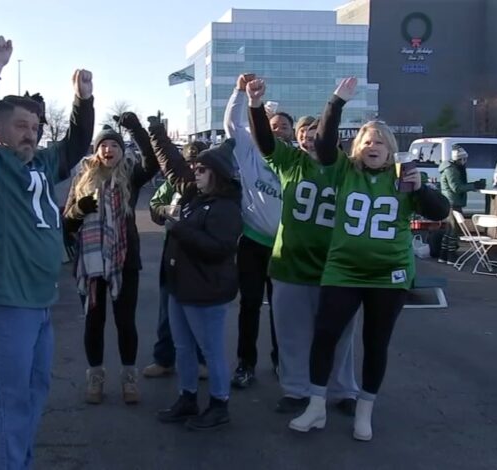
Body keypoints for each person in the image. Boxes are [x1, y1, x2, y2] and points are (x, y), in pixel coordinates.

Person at [283, 77, 449, 441]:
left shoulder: (403, 177)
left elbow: (442, 211)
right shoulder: (345, 171)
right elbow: (324, 144)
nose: (374, 146)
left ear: (391, 150)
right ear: (358, 148)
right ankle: (315, 407)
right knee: (325, 334)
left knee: (376, 341)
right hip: (343, 269)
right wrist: (336, 102)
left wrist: (422, 188)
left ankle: (364, 409)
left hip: (388, 273)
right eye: (368, 141)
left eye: (380, 142)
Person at [0, 36, 94, 469]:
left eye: (35, 127)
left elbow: (72, 147)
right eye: (20, 126)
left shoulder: (40, 163)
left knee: (33, 395)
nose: (30, 133)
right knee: (7, 401)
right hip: (2, 298)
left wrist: (83, 100)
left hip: (39, 300)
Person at [244, 75, 359, 416]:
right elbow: (264, 140)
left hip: (335, 265)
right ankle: (296, 389)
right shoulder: (290, 163)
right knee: (292, 334)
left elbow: (327, 146)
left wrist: (336, 102)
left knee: (339, 336)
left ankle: (342, 390)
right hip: (291, 263)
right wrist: (254, 106)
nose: (310, 140)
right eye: (304, 135)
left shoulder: (342, 168)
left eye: (316, 134)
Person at [149, 120, 242, 430]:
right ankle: (187, 398)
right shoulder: (195, 196)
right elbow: (172, 165)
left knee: (212, 350)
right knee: (183, 348)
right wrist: (155, 133)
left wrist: (182, 229)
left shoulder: (226, 207)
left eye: (201, 170)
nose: (195, 174)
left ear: (215, 174)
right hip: (180, 288)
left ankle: (219, 403)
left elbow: (220, 248)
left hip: (206, 292)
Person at [63, 112, 158, 405]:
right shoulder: (82, 179)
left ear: (120, 150)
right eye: (103, 145)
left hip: (123, 262)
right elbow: (67, 222)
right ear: (96, 151)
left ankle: (129, 378)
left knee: (125, 322)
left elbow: (153, 163)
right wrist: (80, 209)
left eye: (114, 145)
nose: (109, 150)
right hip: (90, 266)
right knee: (94, 322)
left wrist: (137, 130)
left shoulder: (130, 176)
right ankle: (96, 376)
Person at [223, 74, 282, 389]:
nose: (278, 130)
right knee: (249, 304)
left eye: (284, 127)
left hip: (285, 248)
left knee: (281, 308)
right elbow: (232, 124)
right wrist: (238, 93)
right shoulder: (248, 150)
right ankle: (246, 363)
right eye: (272, 125)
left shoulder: (293, 159)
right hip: (253, 242)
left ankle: (281, 360)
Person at [143, 141, 209, 379]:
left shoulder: (213, 183)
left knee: (201, 311)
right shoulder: (174, 182)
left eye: (198, 163)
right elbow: (155, 205)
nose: (193, 168)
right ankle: (164, 359)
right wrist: (167, 212)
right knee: (167, 308)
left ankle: (203, 360)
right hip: (173, 251)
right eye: (189, 162)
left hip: (203, 255)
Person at [438, 145, 486, 264]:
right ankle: (451, 256)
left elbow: (456, 186)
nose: (464, 162)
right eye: (462, 159)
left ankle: (443, 255)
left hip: (450, 201)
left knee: (449, 230)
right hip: (453, 202)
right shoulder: (452, 169)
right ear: (457, 159)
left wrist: (472, 185)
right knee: (454, 230)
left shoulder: (450, 167)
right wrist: (474, 186)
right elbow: (456, 187)